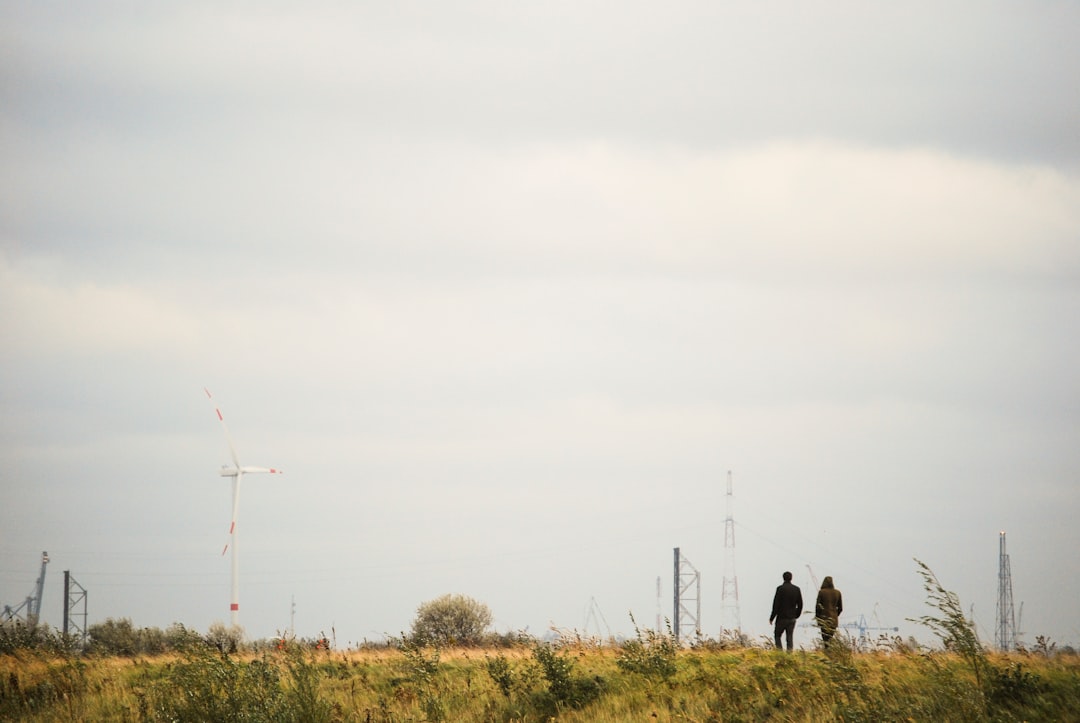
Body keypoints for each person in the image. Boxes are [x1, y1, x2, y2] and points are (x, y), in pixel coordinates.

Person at [769, 571, 803, 651]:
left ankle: (780, 652)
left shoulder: (780, 589)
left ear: (783, 578)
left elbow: (776, 604)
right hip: (792, 618)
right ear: (791, 578)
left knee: (777, 635)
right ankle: (789, 654)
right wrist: (796, 614)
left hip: (781, 617)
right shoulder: (796, 589)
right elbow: (800, 604)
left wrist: (772, 617)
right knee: (789, 637)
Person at [815, 575, 843, 647]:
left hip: (824, 618)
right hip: (833, 619)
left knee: (825, 639)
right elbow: (840, 608)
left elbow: (818, 607)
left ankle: (827, 652)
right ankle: (830, 652)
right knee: (830, 638)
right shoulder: (838, 593)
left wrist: (818, 618)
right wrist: (836, 614)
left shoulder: (821, 592)